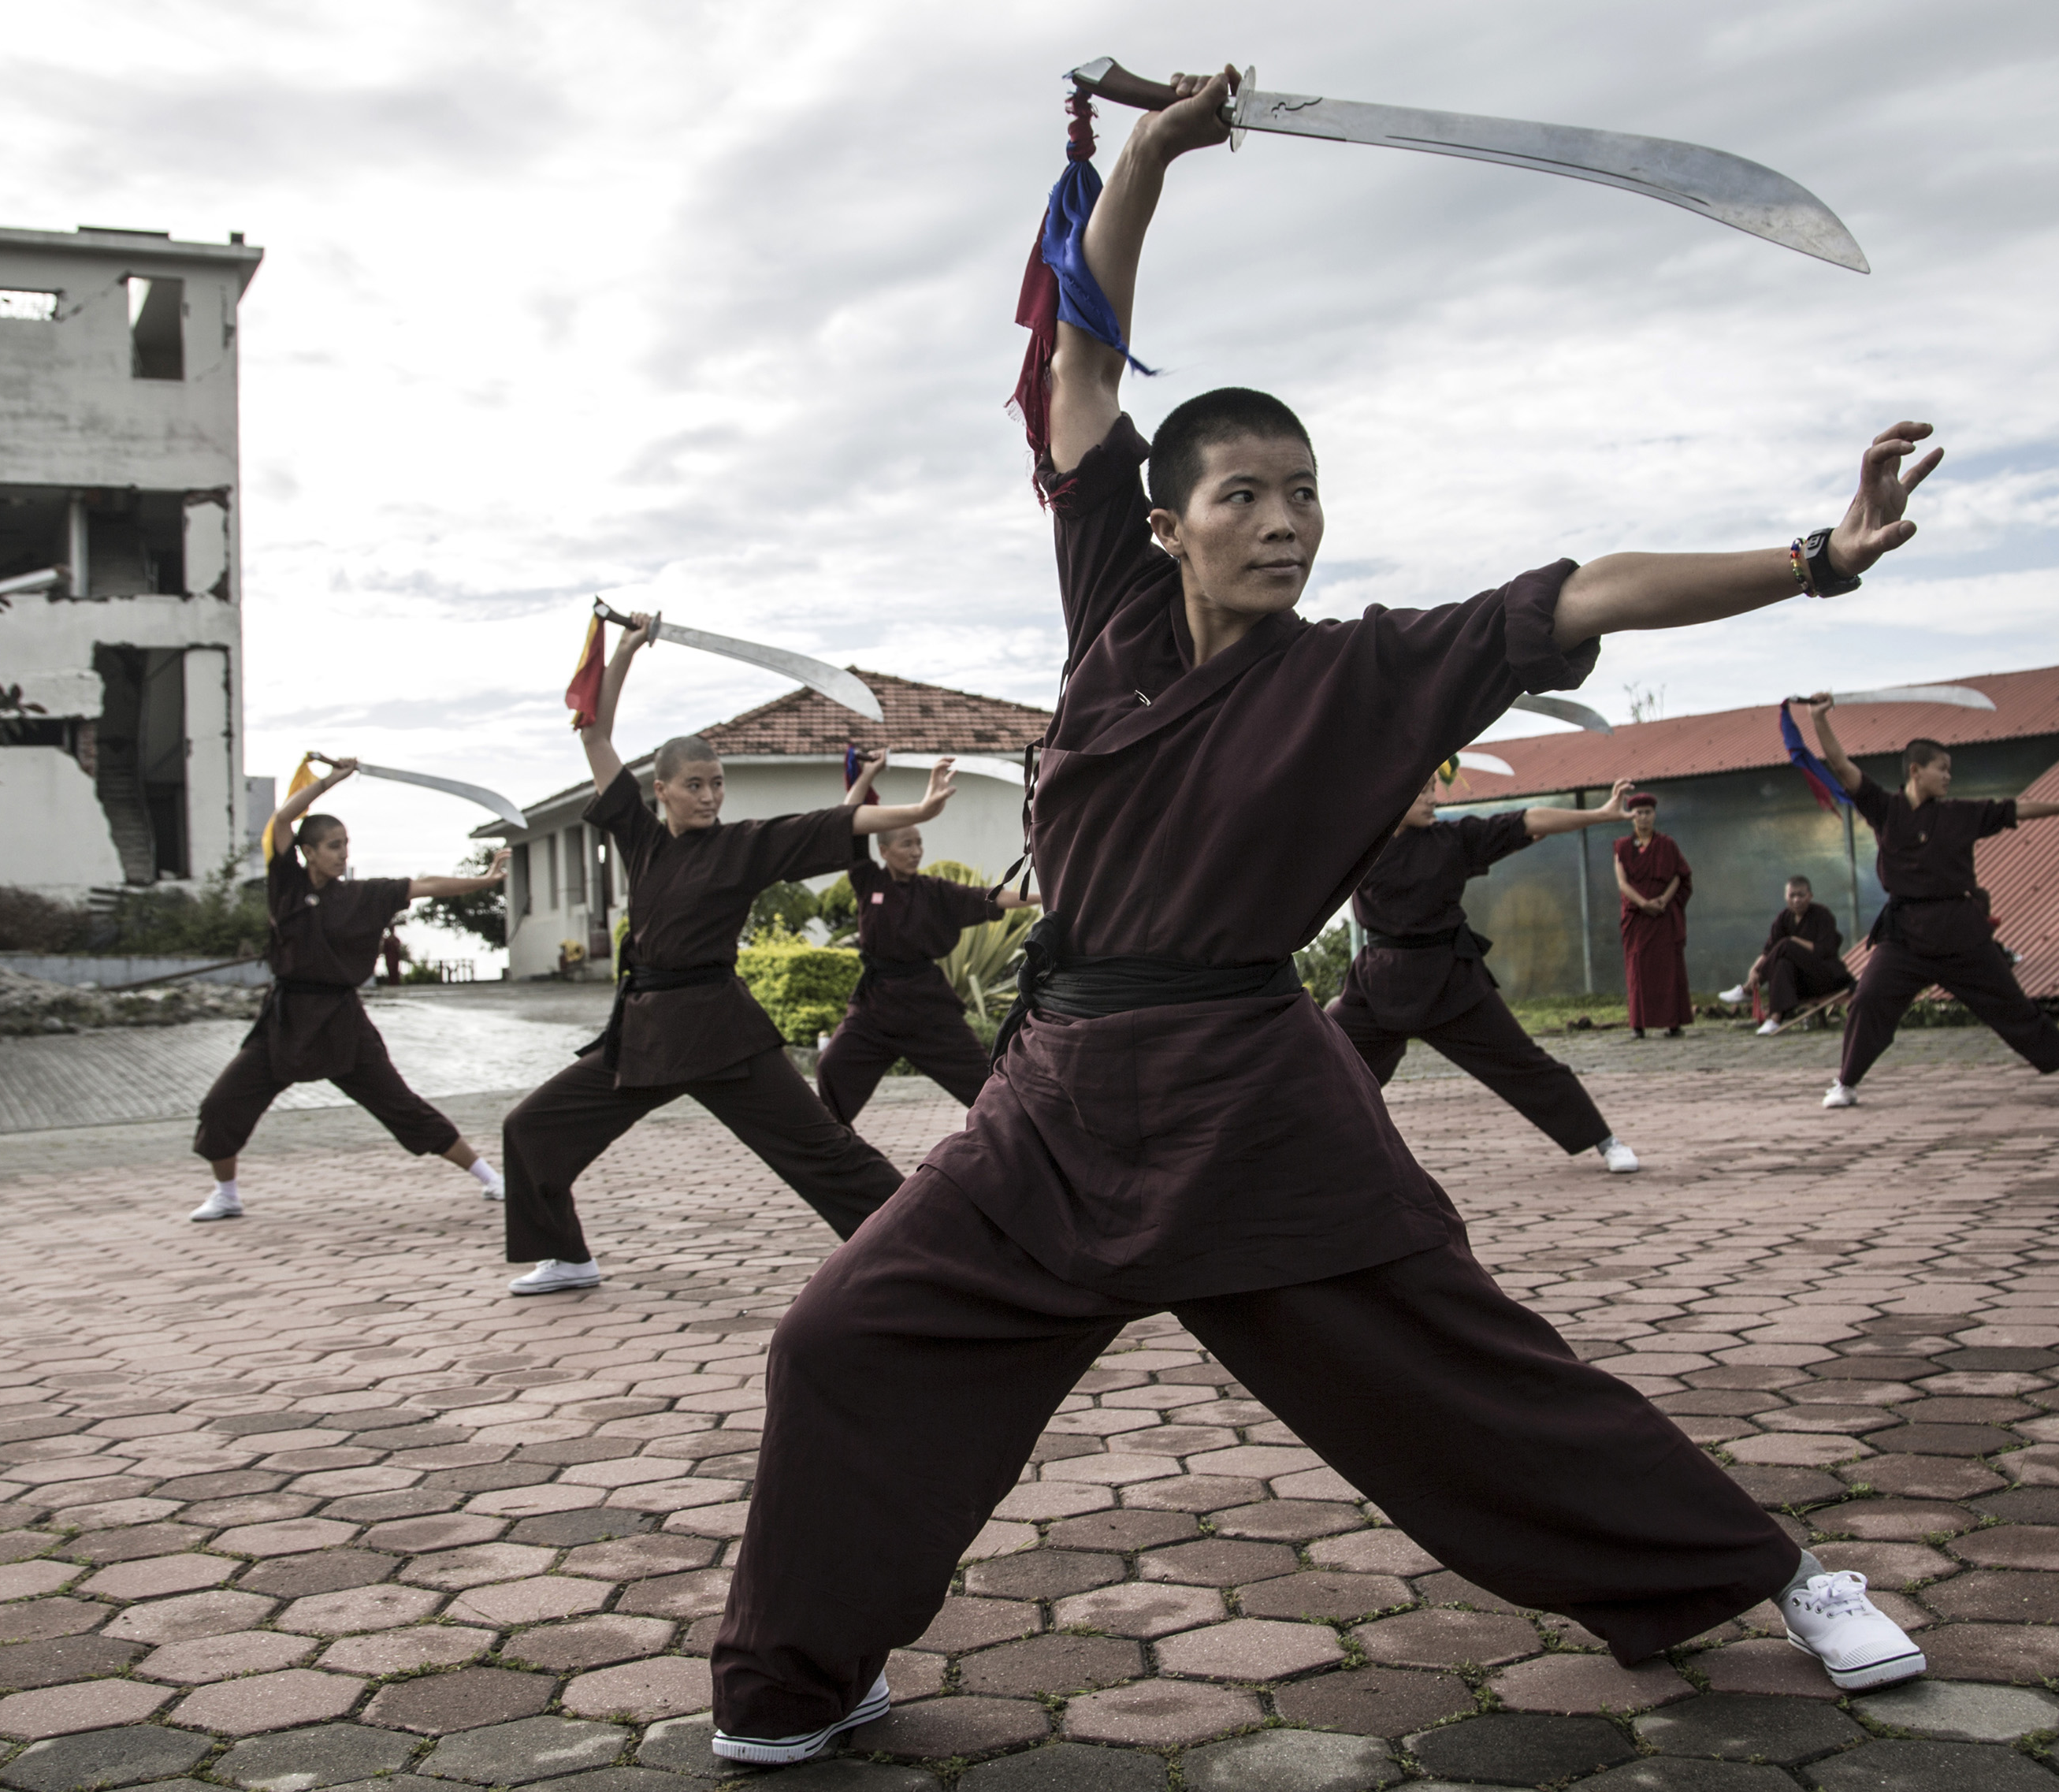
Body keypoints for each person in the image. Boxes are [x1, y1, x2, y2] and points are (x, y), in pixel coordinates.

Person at [707, 72, 1935, 1765]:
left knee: (1471, 1380)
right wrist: (1142, 161)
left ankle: (1776, 1574)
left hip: (1254, 1104)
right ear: (1165, 523)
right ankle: (799, 1678)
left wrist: (1814, 556)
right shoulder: (1113, 617)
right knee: (843, 1336)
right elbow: (1078, 357)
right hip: (1058, 1103)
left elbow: (1586, 588)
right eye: (1243, 495)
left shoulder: (1368, 672)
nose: (1282, 520)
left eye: (1304, 492)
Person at [497, 619, 954, 1296]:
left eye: (717, 784)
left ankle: (932, 1251)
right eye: (695, 785)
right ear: (662, 790)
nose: (710, 796)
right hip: (644, 1037)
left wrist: (917, 807)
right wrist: (622, 652)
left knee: (825, 1153)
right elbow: (594, 733)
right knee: (529, 1129)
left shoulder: (741, 844)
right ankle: (566, 1256)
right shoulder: (640, 839)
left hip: (718, 1033)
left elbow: (830, 825)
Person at [189, 760, 511, 1219]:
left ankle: (489, 1178)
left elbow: (427, 885)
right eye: (333, 846)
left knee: (399, 1104)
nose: (342, 854)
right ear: (309, 852)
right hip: (284, 1021)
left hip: (341, 1020)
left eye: (346, 846)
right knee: (222, 1104)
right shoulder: (286, 886)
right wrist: (332, 780)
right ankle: (227, 1195)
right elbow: (282, 819)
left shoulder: (363, 896)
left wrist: (484, 880)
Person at [1327, 774, 1642, 1169]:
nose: (1432, 800)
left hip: (1450, 983)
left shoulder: (1453, 839)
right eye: (1422, 792)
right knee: (1321, 1053)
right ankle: (1298, 1148)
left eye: (1432, 792)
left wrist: (1600, 814)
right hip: (1377, 985)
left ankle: (1606, 1141)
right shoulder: (1357, 847)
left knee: (1523, 1063)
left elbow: (1526, 820)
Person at [1802, 701, 2059, 1106]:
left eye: (1950, 770)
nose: (1948, 777)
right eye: (1942, 768)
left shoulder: (1961, 814)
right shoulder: (1884, 809)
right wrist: (1819, 718)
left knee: (2012, 1007)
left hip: (1960, 930)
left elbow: (2017, 809)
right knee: (1869, 999)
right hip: (1905, 935)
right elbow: (1840, 764)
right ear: (1915, 770)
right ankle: (1846, 1083)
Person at [812, 747, 1035, 1124]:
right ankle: (831, 1148)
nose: (916, 851)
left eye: (919, 843)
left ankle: (1015, 1139)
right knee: (831, 1069)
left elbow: (994, 897)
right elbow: (845, 821)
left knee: (984, 1085)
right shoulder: (869, 880)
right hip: (875, 1009)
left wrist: (1057, 894)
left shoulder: (934, 891)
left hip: (928, 1008)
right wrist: (867, 776)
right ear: (883, 850)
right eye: (906, 844)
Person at [1720, 875, 1853, 1035]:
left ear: (1810, 896)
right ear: (1786, 897)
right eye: (1792, 895)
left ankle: (1748, 990)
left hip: (1826, 977)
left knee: (1787, 945)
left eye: (1801, 895)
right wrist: (1754, 970)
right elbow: (1768, 951)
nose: (1797, 900)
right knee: (1783, 964)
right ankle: (1774, 1021)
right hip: (1800, 983)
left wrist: (1794, 941)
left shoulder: (1822, 915)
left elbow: (1825, 949)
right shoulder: (1784, 918)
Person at [1614, 794, 1693, 1037]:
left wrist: (1663, 901)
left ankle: (1673, 1023)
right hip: (1638, 918)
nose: (1643, 817)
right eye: (1638, 813)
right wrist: (1643, 903)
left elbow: (1678, 876)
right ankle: (1638, 1025)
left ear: (1654, 815)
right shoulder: (1623, 847)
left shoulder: (1667, 844)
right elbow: (1622, 882)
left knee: (1669, 967)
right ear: (1631, 816)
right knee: (1638, 968)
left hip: (1663, 915)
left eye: (1648, 812)